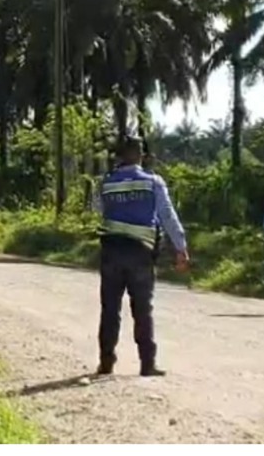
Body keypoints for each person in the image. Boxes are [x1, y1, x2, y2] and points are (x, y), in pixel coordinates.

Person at [94, 135, 189, 377]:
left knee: (110, 309)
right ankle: (147, 364)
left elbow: (97, 210)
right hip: (141, 254)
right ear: (140, 154)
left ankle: (106, 362)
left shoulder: (105, 183)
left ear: (119, 155)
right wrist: (180, 247)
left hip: (111, 252)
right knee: (143, 309)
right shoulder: (153, 182)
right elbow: (167, 216)